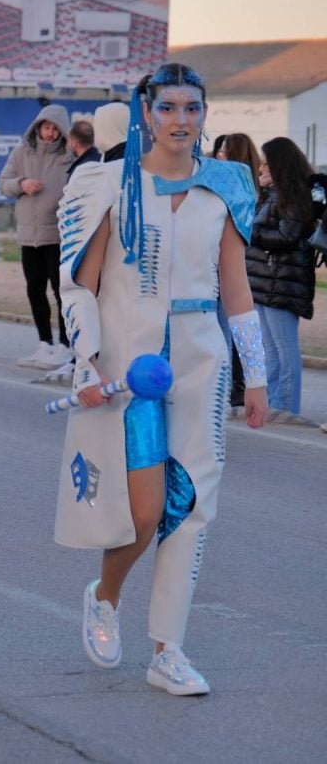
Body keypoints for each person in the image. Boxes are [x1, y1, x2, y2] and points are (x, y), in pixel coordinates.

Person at [56, 63, 267, 696]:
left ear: (205, 115)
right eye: (168, 107)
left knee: (192, 507)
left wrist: (255, 375)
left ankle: (167, 650)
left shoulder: (224, 187)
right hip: (128, 368)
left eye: (192, 108)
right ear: (146, 113)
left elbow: (237, 288)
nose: (181, 120)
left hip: (201, 360)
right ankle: (106, 595)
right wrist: (87, 359)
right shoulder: (111, 185)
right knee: (145, 511)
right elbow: (81, 285)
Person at [246, 137, 317, 418]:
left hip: (283, 284)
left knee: (284, 351)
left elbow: (289, 235)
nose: (261, 168)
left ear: (280, 166)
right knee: (269, 351)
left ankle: (287, 411)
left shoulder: (293, 197)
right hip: (266, 283)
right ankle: (275, 406)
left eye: (266, 164)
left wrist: (252, 235)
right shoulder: (272, 196)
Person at [0, 103, 74, 371]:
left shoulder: (70, 156)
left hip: (57, 236)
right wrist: (21, 184)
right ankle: (45, 343)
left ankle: (65, 345)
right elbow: (3, 182)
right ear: (37, 127)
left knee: (61, 292)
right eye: (46, 127)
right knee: (35, 291)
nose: (50, 133)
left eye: (55, 128)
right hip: (28, 236)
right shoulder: (22, 153)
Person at [213, 132, 262, 408]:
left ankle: (231, 390)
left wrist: (257, 379)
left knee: (227, 334)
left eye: (225, 151)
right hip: (210, 278)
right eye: (218, 151)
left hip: (236, 272)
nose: (220, 155)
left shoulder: (241, 191)